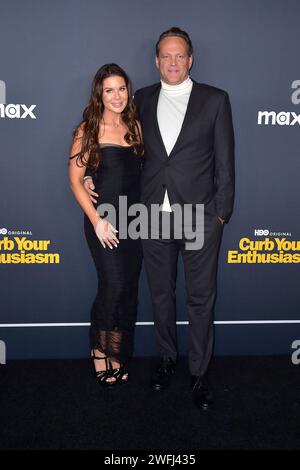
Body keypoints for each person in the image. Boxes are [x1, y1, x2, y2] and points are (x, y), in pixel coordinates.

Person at [85, 27, 235, 409]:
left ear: (190, 59)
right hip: (150, 216)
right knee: (161, 296)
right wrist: (89, 173)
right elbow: (116, 145)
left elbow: (225, 163)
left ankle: (199, 373)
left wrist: (220, 214)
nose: (172, 62)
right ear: (156, 61)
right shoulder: (140, 100)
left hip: (200, 216)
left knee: (200, 300)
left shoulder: (215, 100)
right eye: (165, 56)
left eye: (179, 55)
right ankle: (167, 361)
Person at [69, 63, 143, 386]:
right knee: (111, 286)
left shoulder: (136, 127)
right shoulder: (88, 129)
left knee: (127, 289)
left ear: (128, 90)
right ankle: (99, 351)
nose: (117, 96)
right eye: (109, 90)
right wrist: (97, 220)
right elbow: (74, 181)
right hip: (103, 222)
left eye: (122, 88)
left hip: (135, 220)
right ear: (100, 93)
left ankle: (117, 352)